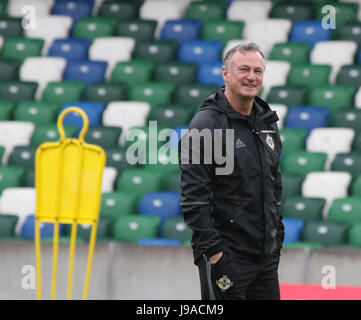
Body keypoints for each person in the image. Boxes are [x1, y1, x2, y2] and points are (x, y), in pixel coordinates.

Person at [178, 42, 285, 300]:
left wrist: (276, 238)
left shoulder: (267, 121)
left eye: (258, 71)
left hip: (265, 259)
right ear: (225, 74)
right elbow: (194, 200)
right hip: (226, 258)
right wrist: (216, 255)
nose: (251, 77)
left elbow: (274, 186)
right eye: (244, 69)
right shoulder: (206, 125)